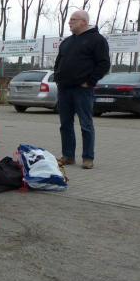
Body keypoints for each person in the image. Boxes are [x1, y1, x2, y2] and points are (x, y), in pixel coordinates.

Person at [54, 10, 110, 169]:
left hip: (82, 89)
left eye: (73, 19)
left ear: (84, 22)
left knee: (86, 124)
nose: (69, 22)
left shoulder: (97, 40)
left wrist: (90, 81)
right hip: (64, 89)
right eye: (70, 19)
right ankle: (68, 156)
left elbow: (104, 64)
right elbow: (58, 62)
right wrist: (58, 77)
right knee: (65, 124)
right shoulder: (67, 42)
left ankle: (88, 158)